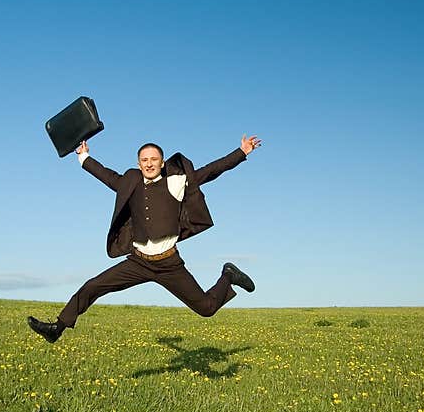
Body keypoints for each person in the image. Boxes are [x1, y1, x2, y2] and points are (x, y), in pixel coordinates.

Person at [27, 134, 263, 343]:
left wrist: (241, 152)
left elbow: (211, 171)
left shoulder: (176, 182)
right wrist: (84, 157)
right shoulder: (130, 184)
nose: (149, 164)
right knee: (93, 286)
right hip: (138, 262)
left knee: (207, 308)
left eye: (153, 159)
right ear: (139, 164)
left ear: (162, 162)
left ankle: (228, 276)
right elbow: (106, 176)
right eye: (144, 160)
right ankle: (56, 328)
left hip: (169, 264)